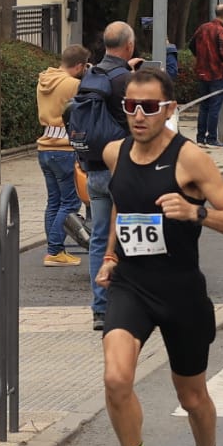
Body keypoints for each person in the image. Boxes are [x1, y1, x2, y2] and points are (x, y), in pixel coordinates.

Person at [95, 67, 223, 446]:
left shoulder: (190, 159)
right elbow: (123, 205)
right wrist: (110, 255)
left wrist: (196, 212)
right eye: (130, 106)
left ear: (169, 109)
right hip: (131, 286)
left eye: (149, 107)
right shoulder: (114, 153)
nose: (138, 115)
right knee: (115, 379)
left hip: (181, 292)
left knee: (192, 397)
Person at [83, 22, 136, 331]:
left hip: (93, 168)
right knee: (129, 236)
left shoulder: (91, 76)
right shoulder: (126, 80)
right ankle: (128, 305)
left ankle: (100, 309)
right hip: (122, 168)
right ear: (129, 46)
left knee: (99, 237)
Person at [37, 44, 89, 265]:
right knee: (69, 203)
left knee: (54, 201)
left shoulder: (44, 80)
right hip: (64, 147)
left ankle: (54, 249)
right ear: (78, 66)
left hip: (45, 146)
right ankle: (55, 251)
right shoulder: (73, 84)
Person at [190, 4, 223, 147]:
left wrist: (200, 57)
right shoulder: (222, 31)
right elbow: (222, 52)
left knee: (204, 106)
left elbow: (191, 44)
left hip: (202, 71)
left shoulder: (203, 28)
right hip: (216, 73)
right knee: (215, 106)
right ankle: (212, 138)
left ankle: (200, 137)